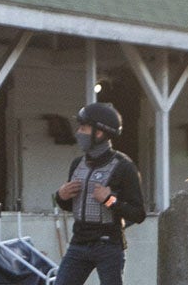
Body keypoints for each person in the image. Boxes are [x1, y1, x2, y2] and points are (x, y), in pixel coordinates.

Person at [52, 102, 145, 285]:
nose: (78, 133)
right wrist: (61, 197)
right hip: (78, 243)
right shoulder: (77, 164)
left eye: (83, 128)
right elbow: (74, 207)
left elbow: (138, 214)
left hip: (109, 246)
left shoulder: (124, 166)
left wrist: (109, 200)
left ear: (99, 133)